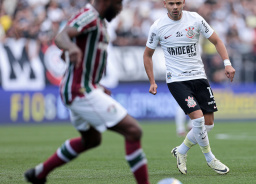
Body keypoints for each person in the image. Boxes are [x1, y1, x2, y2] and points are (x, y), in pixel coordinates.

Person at [24, 1, 150, 184]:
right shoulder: (89, 16)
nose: (120, 7)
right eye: (117, 2)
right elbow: (61, 37)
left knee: (91, 140)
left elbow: (73, 52)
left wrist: (97, 85)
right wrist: (71, 47)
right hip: (80, 91)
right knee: (133, 131)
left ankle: (38, 174)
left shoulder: (99, 21)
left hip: (84, 88)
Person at [143, 0, 235, 175]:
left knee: (208, 125)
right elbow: (147, 55)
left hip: (199, 77)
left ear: (184, 2)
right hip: (177, 80)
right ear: (165, 4)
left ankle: (181, 151)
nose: (175, 7)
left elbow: (216, 40)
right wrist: (152, 81)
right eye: (171, 3)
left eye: (178, 2)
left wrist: (227, 64)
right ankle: (210, 159)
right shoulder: (158, 26)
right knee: (198, 120)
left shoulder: (195, 19)